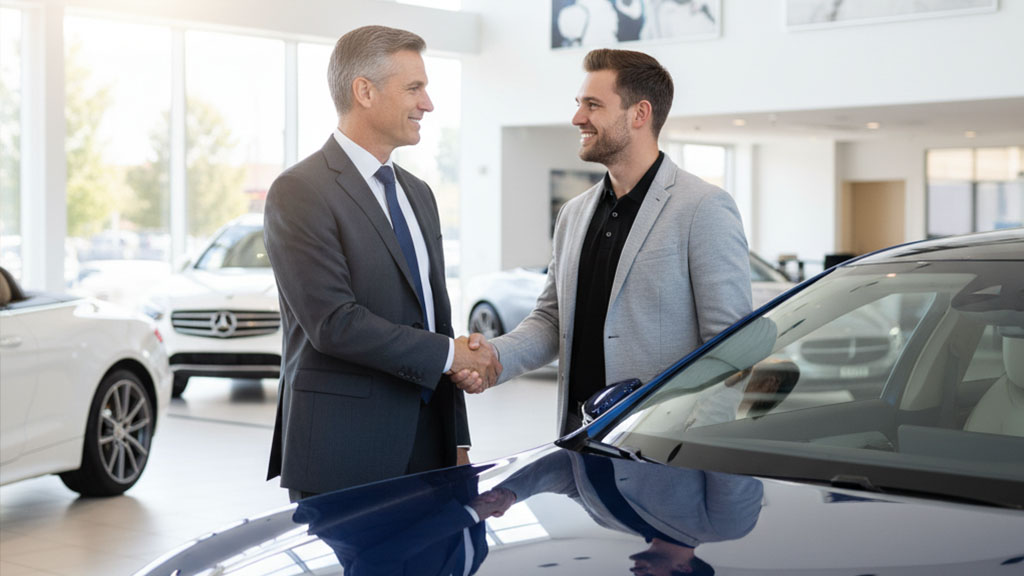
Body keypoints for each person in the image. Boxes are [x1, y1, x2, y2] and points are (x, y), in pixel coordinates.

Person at [455, 48, 751, 435]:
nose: (578, 118)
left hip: (663, 450)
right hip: (578, 440)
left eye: (593, 105)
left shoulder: (704, 207)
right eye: (579, 104)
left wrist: (698, 446)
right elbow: (552, 320)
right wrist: (495, 356)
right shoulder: (573, 214)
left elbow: (730, 350)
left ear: (639, 114)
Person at [263, 25, 500, 501]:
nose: (427, 103)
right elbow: (334, 323)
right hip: (345, 454)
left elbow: (435, 319)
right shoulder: (299, 191)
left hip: (432, 449)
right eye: (414, 88)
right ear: (364, 91)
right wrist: (454, 355)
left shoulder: (419, 194)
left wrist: (457, 438)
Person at [491, 449, 764, 576]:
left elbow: (567, 470)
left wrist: (511, 493)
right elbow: (726, 455)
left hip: (588, 405)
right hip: (656, 388)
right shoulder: (727, 526)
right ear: (684, 569)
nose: (637, 575)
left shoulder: (607, 522)